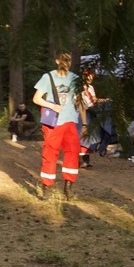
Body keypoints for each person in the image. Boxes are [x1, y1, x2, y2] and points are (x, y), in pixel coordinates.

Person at [31, 52, 81, 199]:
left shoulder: (75, 78)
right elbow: (36, 99)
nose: (67, 63)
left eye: (69, 60)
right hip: (54, 123)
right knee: (50, 153)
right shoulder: (48, 77)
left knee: (73, 152)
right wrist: (52, 106)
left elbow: (78, 99)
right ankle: (47, 188)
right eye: (64, 60)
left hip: (70, 121)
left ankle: (68, 189)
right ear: (57, 61)